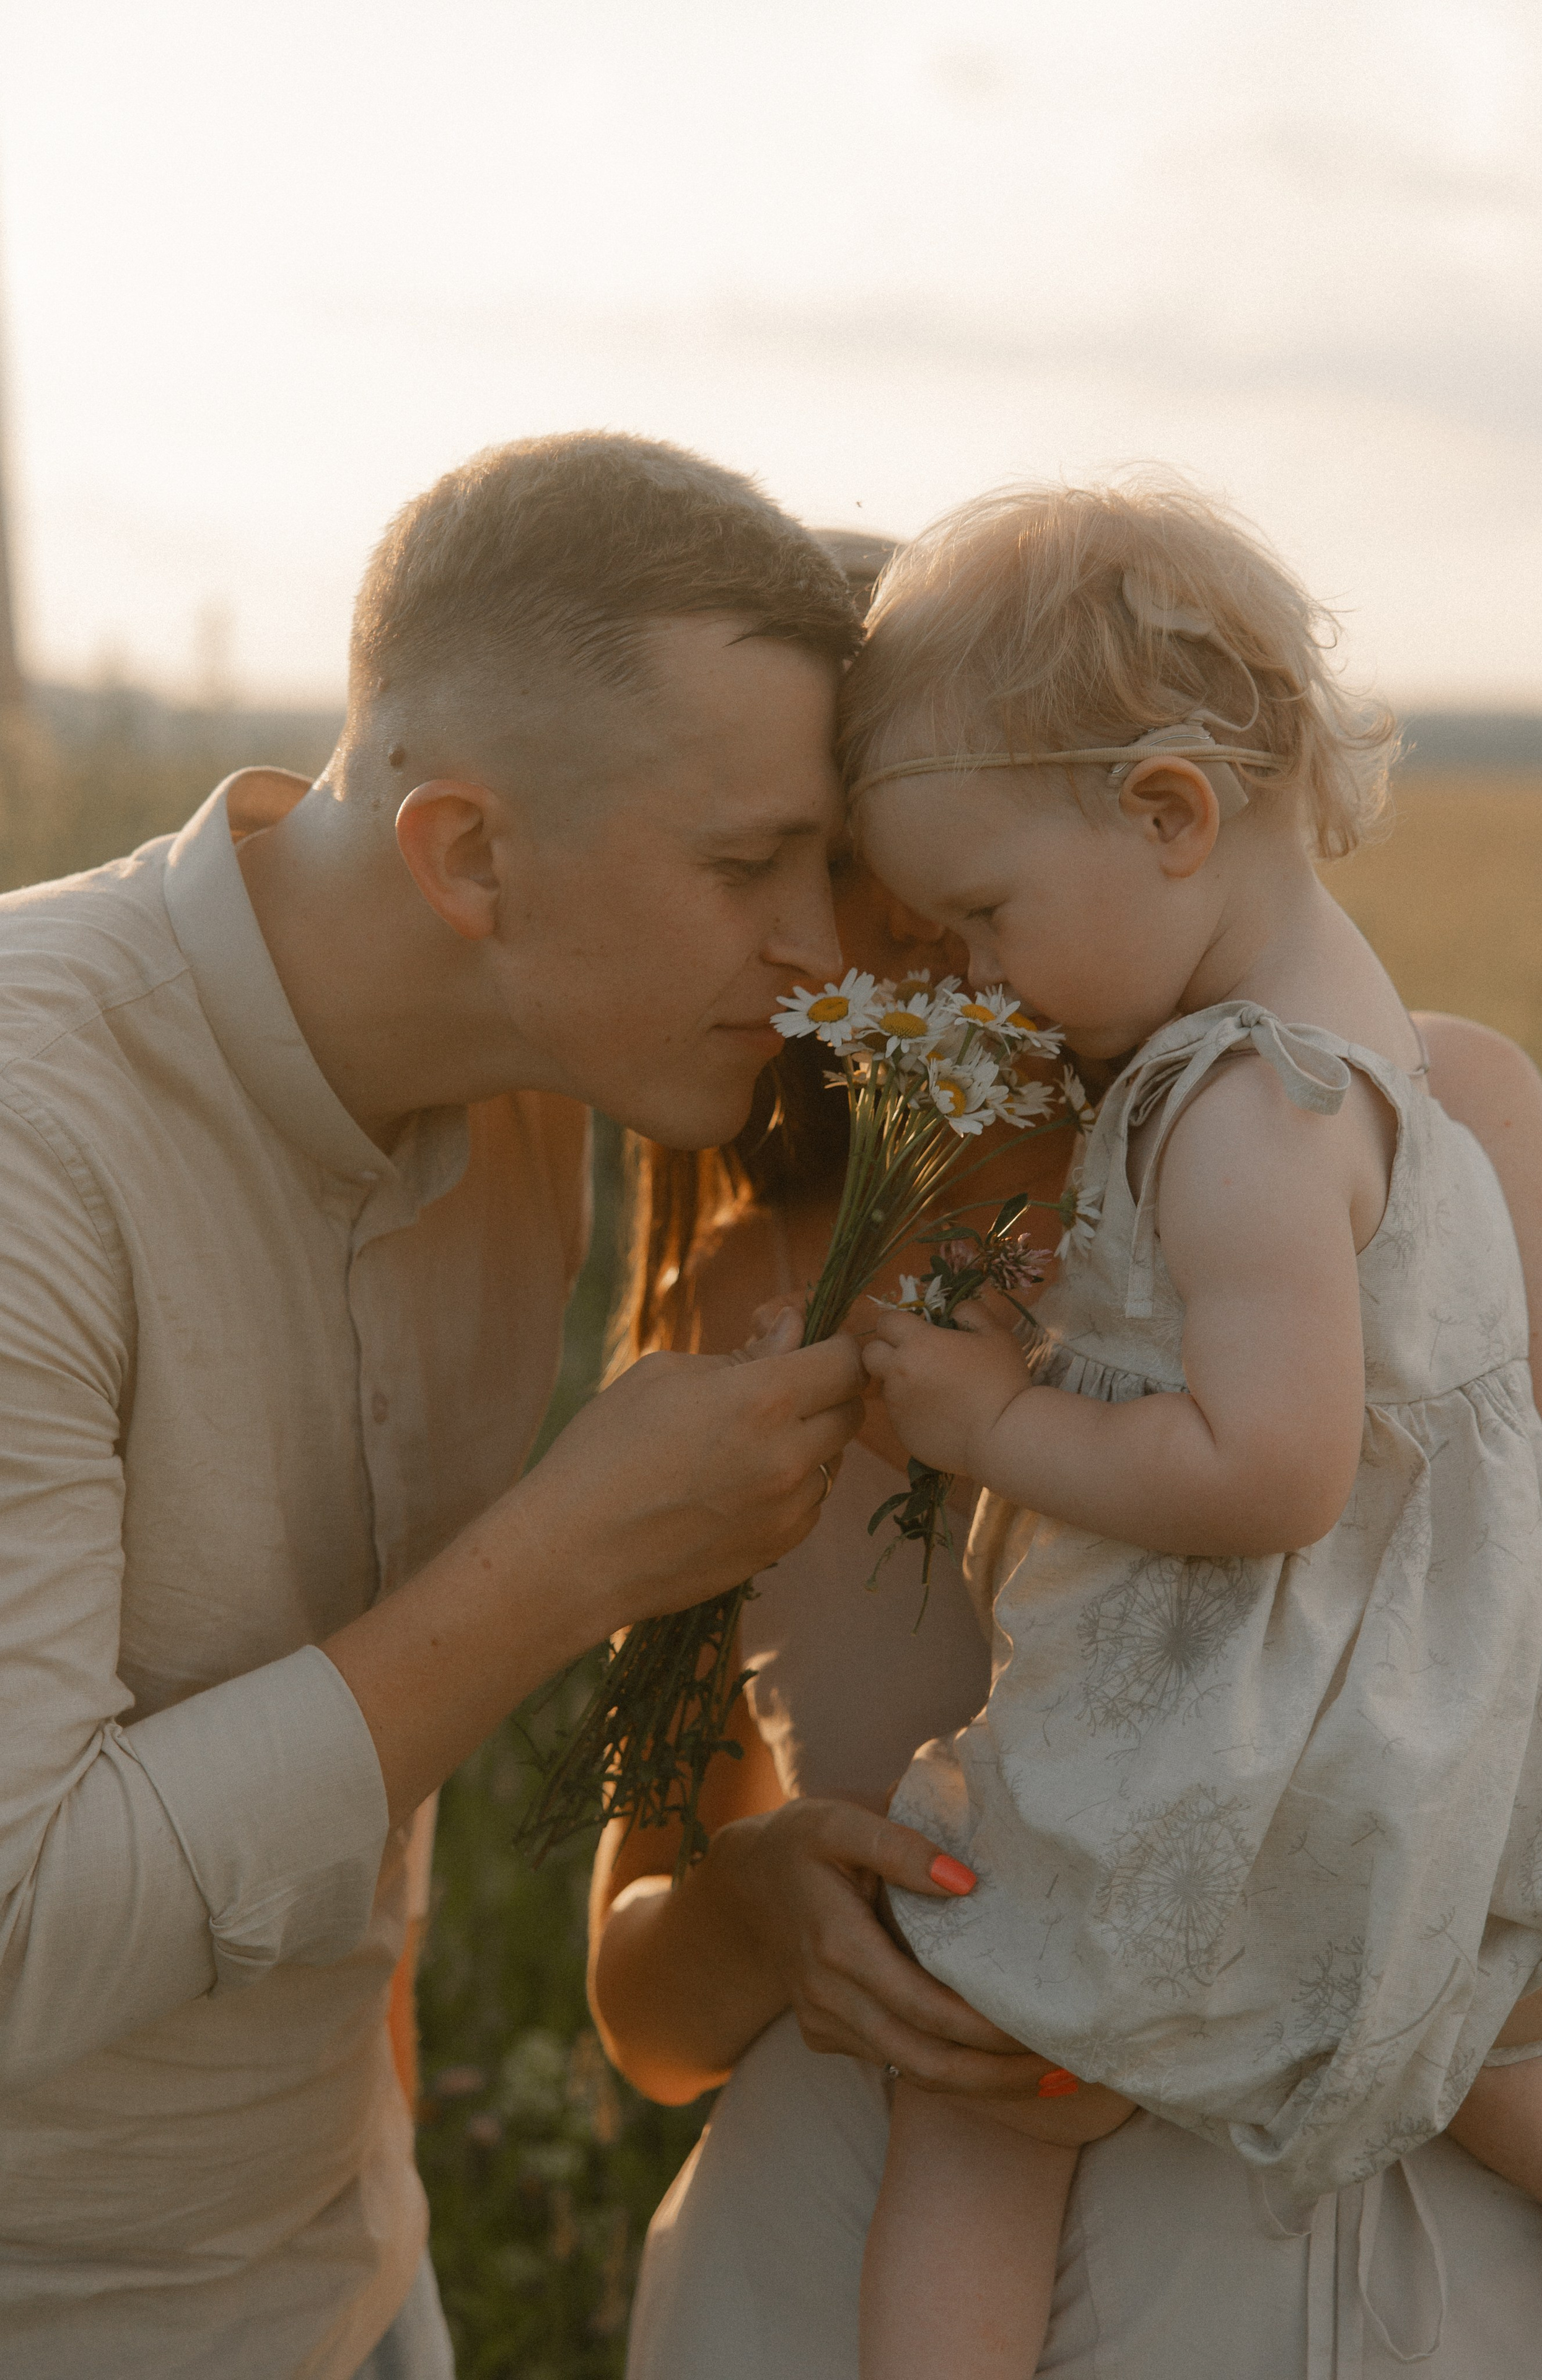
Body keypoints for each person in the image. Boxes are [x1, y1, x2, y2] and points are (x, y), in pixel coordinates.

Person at [590, 582, 1542, 2378]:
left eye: (909, 863)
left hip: (1376, 2255)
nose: (852, 930)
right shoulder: (754, 1302)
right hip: (847, 2257)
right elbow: (645, 2012)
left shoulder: (1423, 1131)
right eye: (793, 859)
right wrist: (760, 1906)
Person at [0, 431, 870, 2380]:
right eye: (751, 865)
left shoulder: (557, 1065)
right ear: (467, 851)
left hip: (362, 2270)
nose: (823, 949)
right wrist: (564, 1562)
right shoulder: (26, 1147)